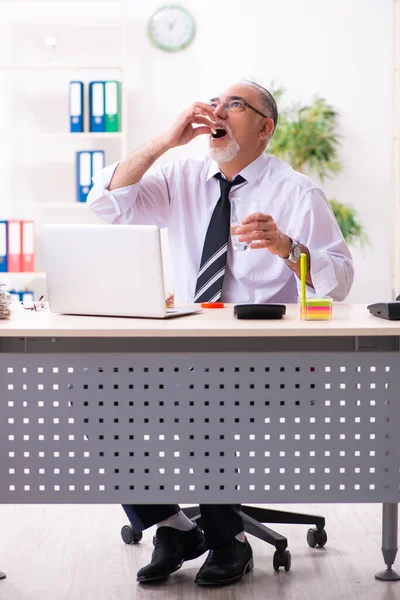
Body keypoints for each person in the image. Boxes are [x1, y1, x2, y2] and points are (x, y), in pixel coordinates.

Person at [87, 80, 354, 587]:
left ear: (264, 127)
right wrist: (166, 140)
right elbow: (105, 204)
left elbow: (340, 281)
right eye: (215, 102)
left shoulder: (296, 192)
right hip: (188, 353)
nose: (218, 110)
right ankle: (173, 526)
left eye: (234, 103)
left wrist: (288, 248)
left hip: (272, 364)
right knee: (95, 388)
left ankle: (228, 538)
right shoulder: (181, 177)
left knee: (199, 386)